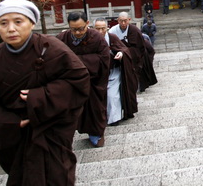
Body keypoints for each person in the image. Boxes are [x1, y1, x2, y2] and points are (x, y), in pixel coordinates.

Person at [0, 0, 90, 185]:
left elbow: (78, 80)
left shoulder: (52, 48)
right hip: (15, 137)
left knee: (56, 176)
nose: (11, 28)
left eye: (18, 21)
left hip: (50, 129)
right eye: (3, 23)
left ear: (32, 23)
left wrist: (40, 97)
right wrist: (10, 122)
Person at [57, 11, 111, 147]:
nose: (78, 32)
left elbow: (104, 59)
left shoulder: (97, 38)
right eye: (74, 29)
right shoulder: (62, 38)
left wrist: (76, 63)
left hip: (93, 82)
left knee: (95, 109)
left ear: (87, 24)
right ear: (68, 26)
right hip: (71, 83)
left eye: (81, 28)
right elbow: (54, 58)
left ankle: (96, 134)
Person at [93, 18, 138, 125]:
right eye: (97, 29)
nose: (100, 31)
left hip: (113, 71)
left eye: (103, 28)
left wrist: (121, 54)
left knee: (113, 96)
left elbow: (124, 49)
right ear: (93, 28)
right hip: (97, 73)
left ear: (107, 27)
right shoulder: (90, 39)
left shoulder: (112, 37)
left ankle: (114, 119)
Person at [109, 12, 157, 92]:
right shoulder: (113, 30)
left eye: (125, 20)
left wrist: (125, 51)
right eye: (121, 21)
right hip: (120, 57)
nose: (123, 23)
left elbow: (139, 47)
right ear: (118, 20)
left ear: (129, 20)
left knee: (138, 73)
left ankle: (138, 88)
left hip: (136, 57)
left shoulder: (134, 30)